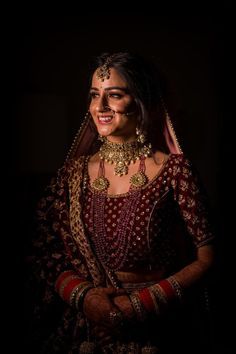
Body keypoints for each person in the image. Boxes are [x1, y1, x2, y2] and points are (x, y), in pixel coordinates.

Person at [28, 52, 215, 354]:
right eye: (93, 96)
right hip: (87, 330)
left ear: (141, 101)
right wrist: (86, 298)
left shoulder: (175, 171)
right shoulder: (71, 176)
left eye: (114, 95)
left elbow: (207, 257)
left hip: (160, 326)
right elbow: (42, 251)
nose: (99, 107)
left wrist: (141, 304)